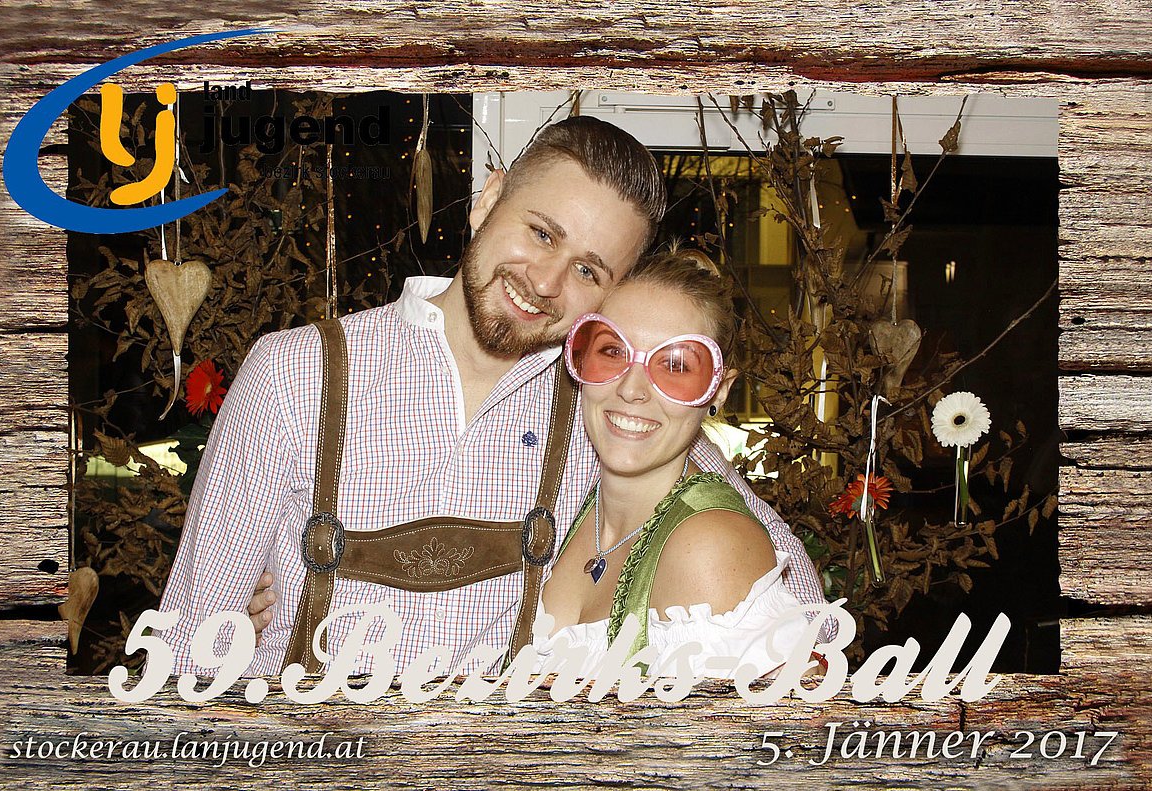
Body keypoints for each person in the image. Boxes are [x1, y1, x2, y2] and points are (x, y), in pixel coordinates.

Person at [159, 116, 831, 678]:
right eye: (541, 232)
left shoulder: (605, 406)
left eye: (588, 269)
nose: (545, 282)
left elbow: (799, 608)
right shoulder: (294, 374)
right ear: (488, 198)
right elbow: (190, 650)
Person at [532, 250, 812, 680]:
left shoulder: (710, 548)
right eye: (612, 350)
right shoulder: (569, 497)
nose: (632, 389)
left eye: (676, 365)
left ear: (719, 390)